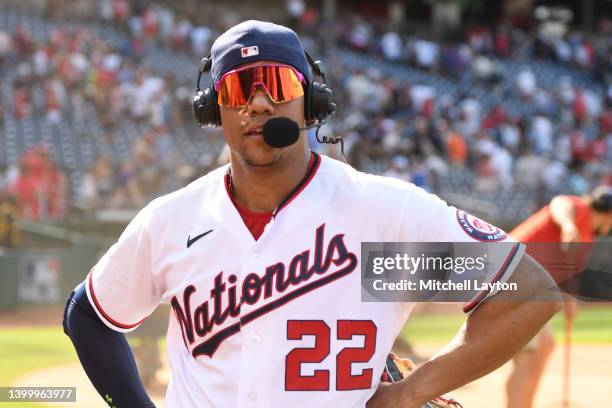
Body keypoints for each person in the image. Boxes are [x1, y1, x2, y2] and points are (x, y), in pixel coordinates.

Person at [63, 20, 559, 408]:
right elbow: (87, 315)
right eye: (238, 90)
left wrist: (413, 390)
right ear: (214, 111)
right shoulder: (172, 221)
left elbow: (526, 293)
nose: (257, 104)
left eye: (276, 85)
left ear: (311, 103)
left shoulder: (381, 219)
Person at [506, 186, 612, 408]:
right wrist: (568, 224)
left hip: (522, 280)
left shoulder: (587, 238)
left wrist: (570, 302)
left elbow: (567, 273)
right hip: (511, 272)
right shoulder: (579, 211)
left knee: (544, 344)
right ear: (607, 215)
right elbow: (560, 203)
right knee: (529, 353)